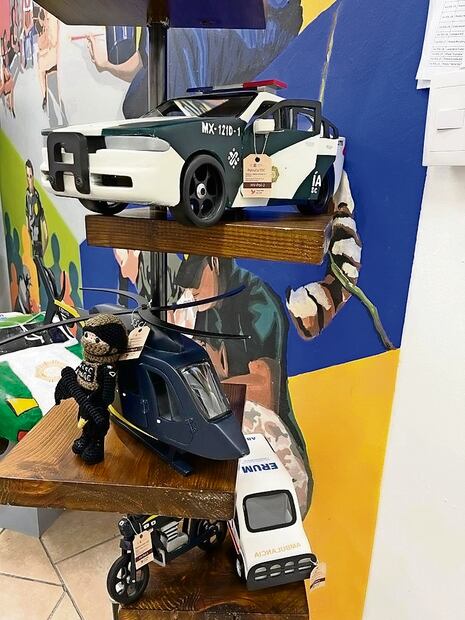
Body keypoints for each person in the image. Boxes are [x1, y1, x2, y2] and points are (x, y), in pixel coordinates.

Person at [171, 256, 313, 513]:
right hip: (228, 438)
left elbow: (264, 386)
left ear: (214, 263)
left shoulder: (257, 302)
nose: (192, 290)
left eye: (196, 280)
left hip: (273, 451)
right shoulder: (206, 305)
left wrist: (203, 386)